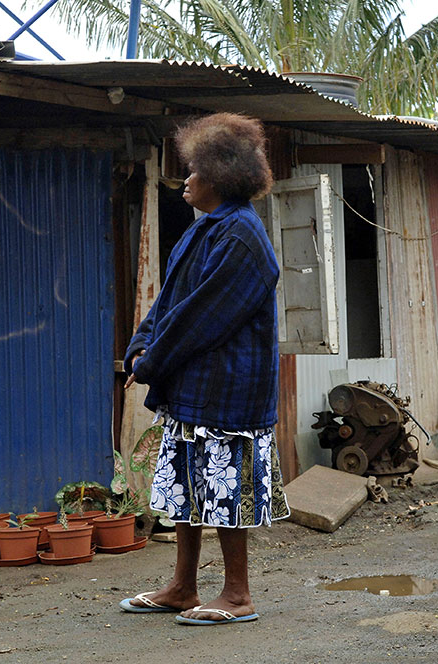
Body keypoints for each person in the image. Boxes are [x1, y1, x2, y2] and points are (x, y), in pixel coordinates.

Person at [119, 112, 290, 625]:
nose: (187, 179)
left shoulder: (241, 237)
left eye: (194, 171)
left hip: (229, 391)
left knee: (224, 490)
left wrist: (152, 363)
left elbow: (201, 318)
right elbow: (169, 302)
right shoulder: (204, 231)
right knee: (187, 489)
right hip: (194, 386)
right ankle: (183, 587)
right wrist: (140, 347)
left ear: (218, 176)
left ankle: (237, 595)